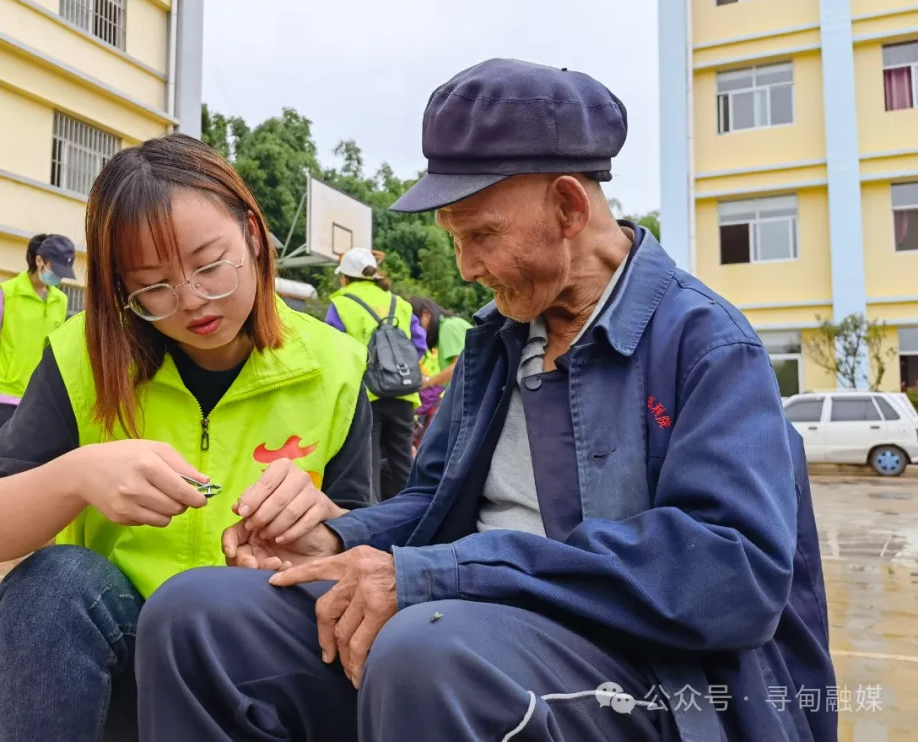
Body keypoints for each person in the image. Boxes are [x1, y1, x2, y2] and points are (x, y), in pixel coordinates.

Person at [134, 60, 836, 742]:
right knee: (195, 614)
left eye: (481, 235)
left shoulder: (705, 343)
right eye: (456, 240)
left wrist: (446, 575)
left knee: (425, 651)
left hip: (653, 672)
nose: (466, 267)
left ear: (567, 207)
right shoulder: (496, 344)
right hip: (470, 628)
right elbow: (434, 504)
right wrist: (334, 538)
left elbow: (733, 575)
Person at [0, 134, 373, 742]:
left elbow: (370, 539)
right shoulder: (82, 358)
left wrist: (326, 527)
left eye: (210, 265)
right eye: (153, 285)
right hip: (128, 644)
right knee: (51, 586)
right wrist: (78, 474)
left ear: (253, 236)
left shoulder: (336, 365)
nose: (192, 301)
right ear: (120, 286)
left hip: (262, 639)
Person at [325, 248, 427, 500]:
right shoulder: (399, 304)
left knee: (367, 467)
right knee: (403, 461)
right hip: (404, 394)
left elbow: (331, 350)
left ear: (345, 277)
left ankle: (373, 526)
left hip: (366, 396)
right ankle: (414, 520)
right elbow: (420, 346)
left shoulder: (342, 303)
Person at [0, 233, 76, 448]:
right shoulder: (5, 294)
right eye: (56, 269)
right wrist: (13, 368)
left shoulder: (60, 300)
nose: (59, 277)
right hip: (4, 398)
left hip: (41, 400)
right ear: (39, 260)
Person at [410, 296, 471, 445]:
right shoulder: (449, 327)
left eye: (415, 323)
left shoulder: (448, 327)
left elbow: (458, 367)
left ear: (426, 314)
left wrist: (427, 382)